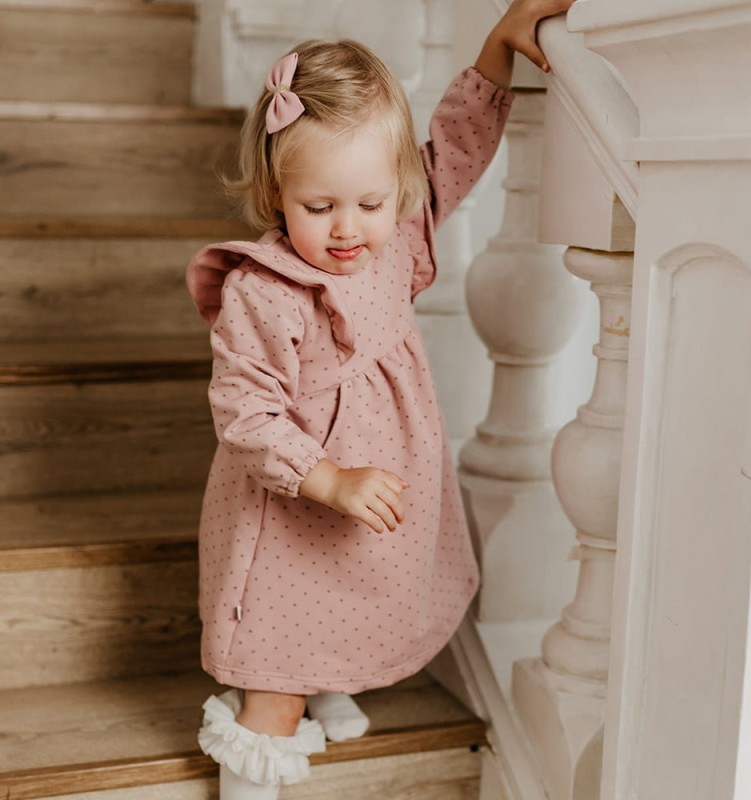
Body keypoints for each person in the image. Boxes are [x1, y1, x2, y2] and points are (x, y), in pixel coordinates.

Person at [186, 1, 573, 797]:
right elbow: (246, 414)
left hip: (379, 494)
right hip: (291, 510)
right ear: (276, 193)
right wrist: (327, 478)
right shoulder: (264, 292)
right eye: (318, 207)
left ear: (397, 191)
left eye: (369, 203)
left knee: (354, 595)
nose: (347, 230)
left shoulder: (395, 240)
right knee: (274, 669)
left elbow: (457, 146)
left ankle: (331, 675)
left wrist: (497, 47)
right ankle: (271, 732)